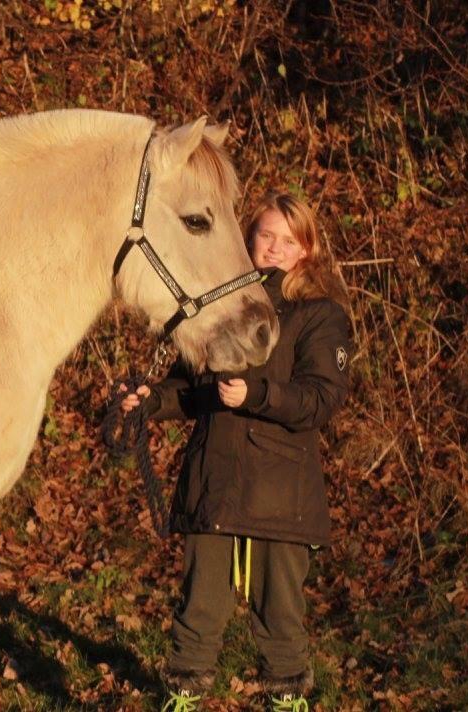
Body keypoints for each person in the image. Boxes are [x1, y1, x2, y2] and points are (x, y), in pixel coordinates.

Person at [121, 193, 352, 711]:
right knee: (197, 612)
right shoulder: (218, 302)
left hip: (281, 494)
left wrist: (259, 396)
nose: (274, 248)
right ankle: (181, 700)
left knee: (281, 622)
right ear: (248, 238)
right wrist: (150, 400)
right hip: (215, 483)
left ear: (306, 250)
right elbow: (190, 387)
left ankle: (288, 702)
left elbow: (322, 398)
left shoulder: (320, 315)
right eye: (266, 235)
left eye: (287, 240)